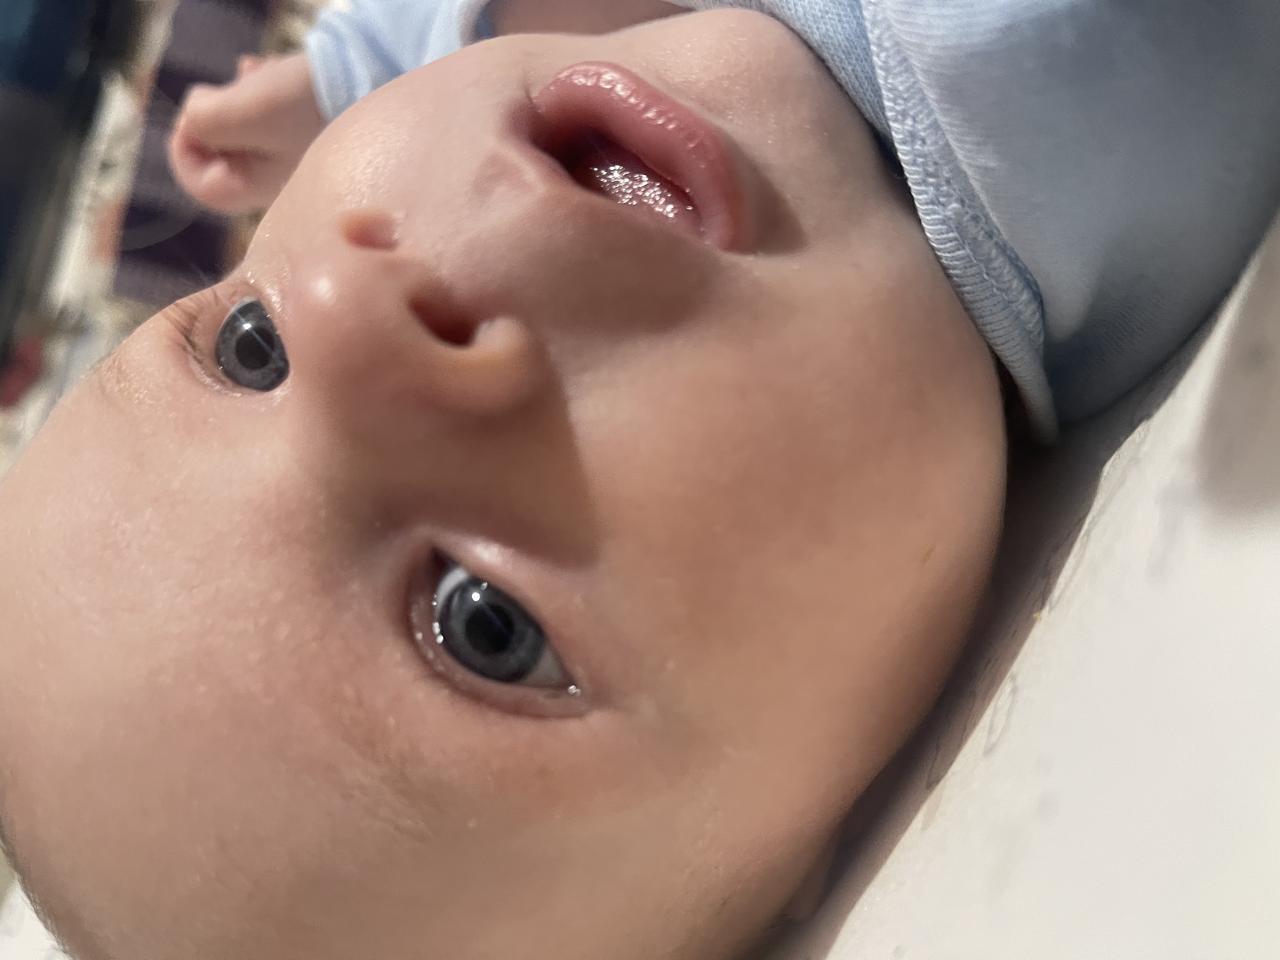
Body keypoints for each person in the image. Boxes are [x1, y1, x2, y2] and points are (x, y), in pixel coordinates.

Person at [1, 2, 1277, 959]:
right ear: (825, 829)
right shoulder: (1070, 88)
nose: (349, 305)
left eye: (250, 348)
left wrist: (355, 68)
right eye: (480, 622)